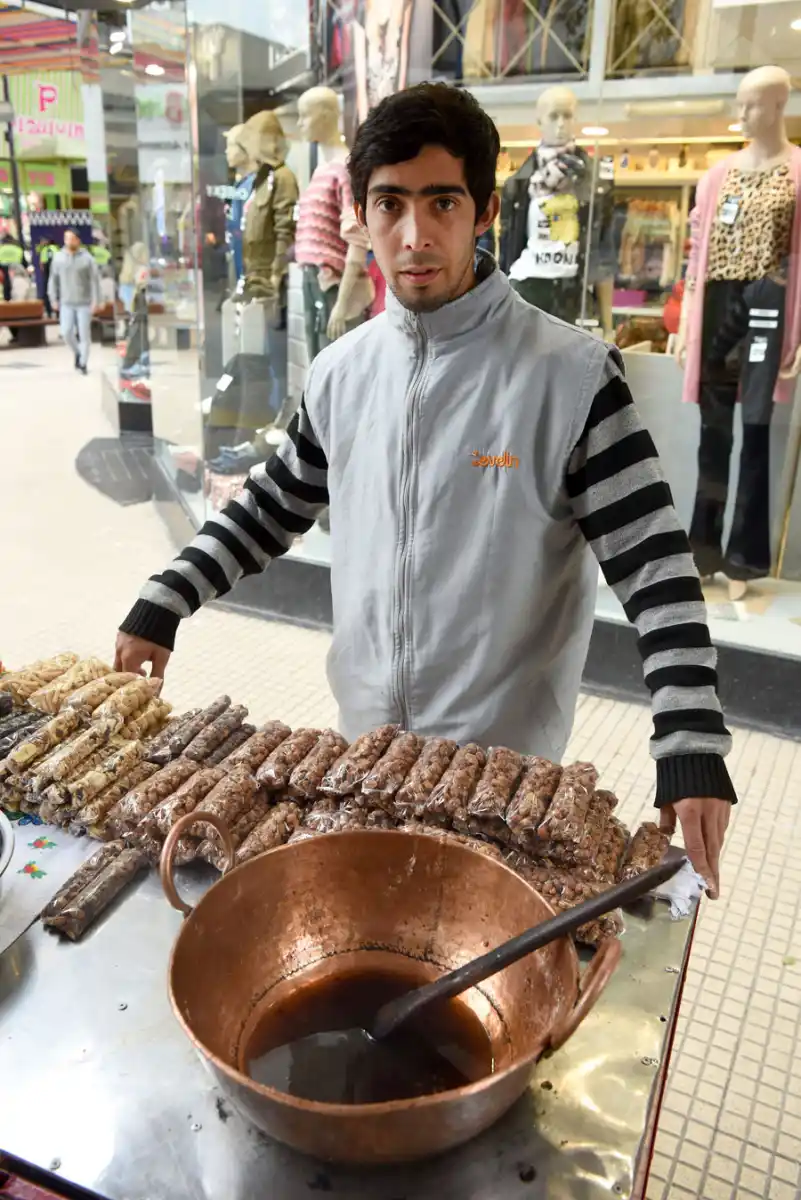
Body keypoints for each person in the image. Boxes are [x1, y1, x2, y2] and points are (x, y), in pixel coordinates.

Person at [116, 84, 735, 898]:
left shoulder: (570, 377)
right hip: (364, 749)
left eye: (442, 202)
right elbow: (275, 503)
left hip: (501, 774)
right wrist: (168, 594)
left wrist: (689, 733)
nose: (414, 236)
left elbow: (653, 563)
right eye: (390, 204)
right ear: (362, 216)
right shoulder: (342, 371)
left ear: (483, 213)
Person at [47, 229, 101, 375]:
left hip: (84, 303)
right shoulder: (58, 258)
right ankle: (77, 352)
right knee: (66, 332)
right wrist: (53, 298)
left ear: (78, 240)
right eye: (66, 238)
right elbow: (53, 280)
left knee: (84, 334)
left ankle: (83, 363)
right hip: (66, 303)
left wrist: (96, 301)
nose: (68, 241)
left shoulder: (87, 258)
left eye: (71, 238)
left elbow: (95, 281)